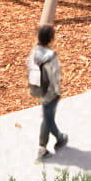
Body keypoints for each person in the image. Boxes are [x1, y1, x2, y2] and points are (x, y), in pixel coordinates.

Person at [28, 25, 67, 158]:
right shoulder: (51, 57)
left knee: (48, 116)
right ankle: (42, 148)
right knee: (48, 119)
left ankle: (60, 137)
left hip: (38, 89)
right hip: (50, 93)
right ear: (50, 39)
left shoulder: (34, 52)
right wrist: (57, 92)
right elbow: (54, 76)